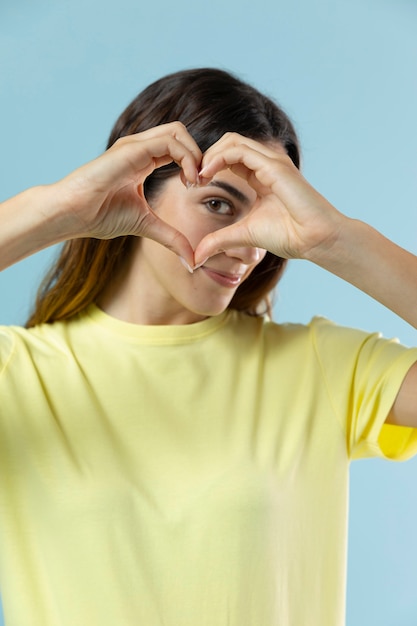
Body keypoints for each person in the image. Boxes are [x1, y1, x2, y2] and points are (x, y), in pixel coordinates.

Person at [0, 67, 416, 626]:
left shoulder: (321, 368)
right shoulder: (19, 375)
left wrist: (335, 239)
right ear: (139, 189)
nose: (248, 245)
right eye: (220, 203)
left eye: (270, 216)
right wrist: (60, 209)